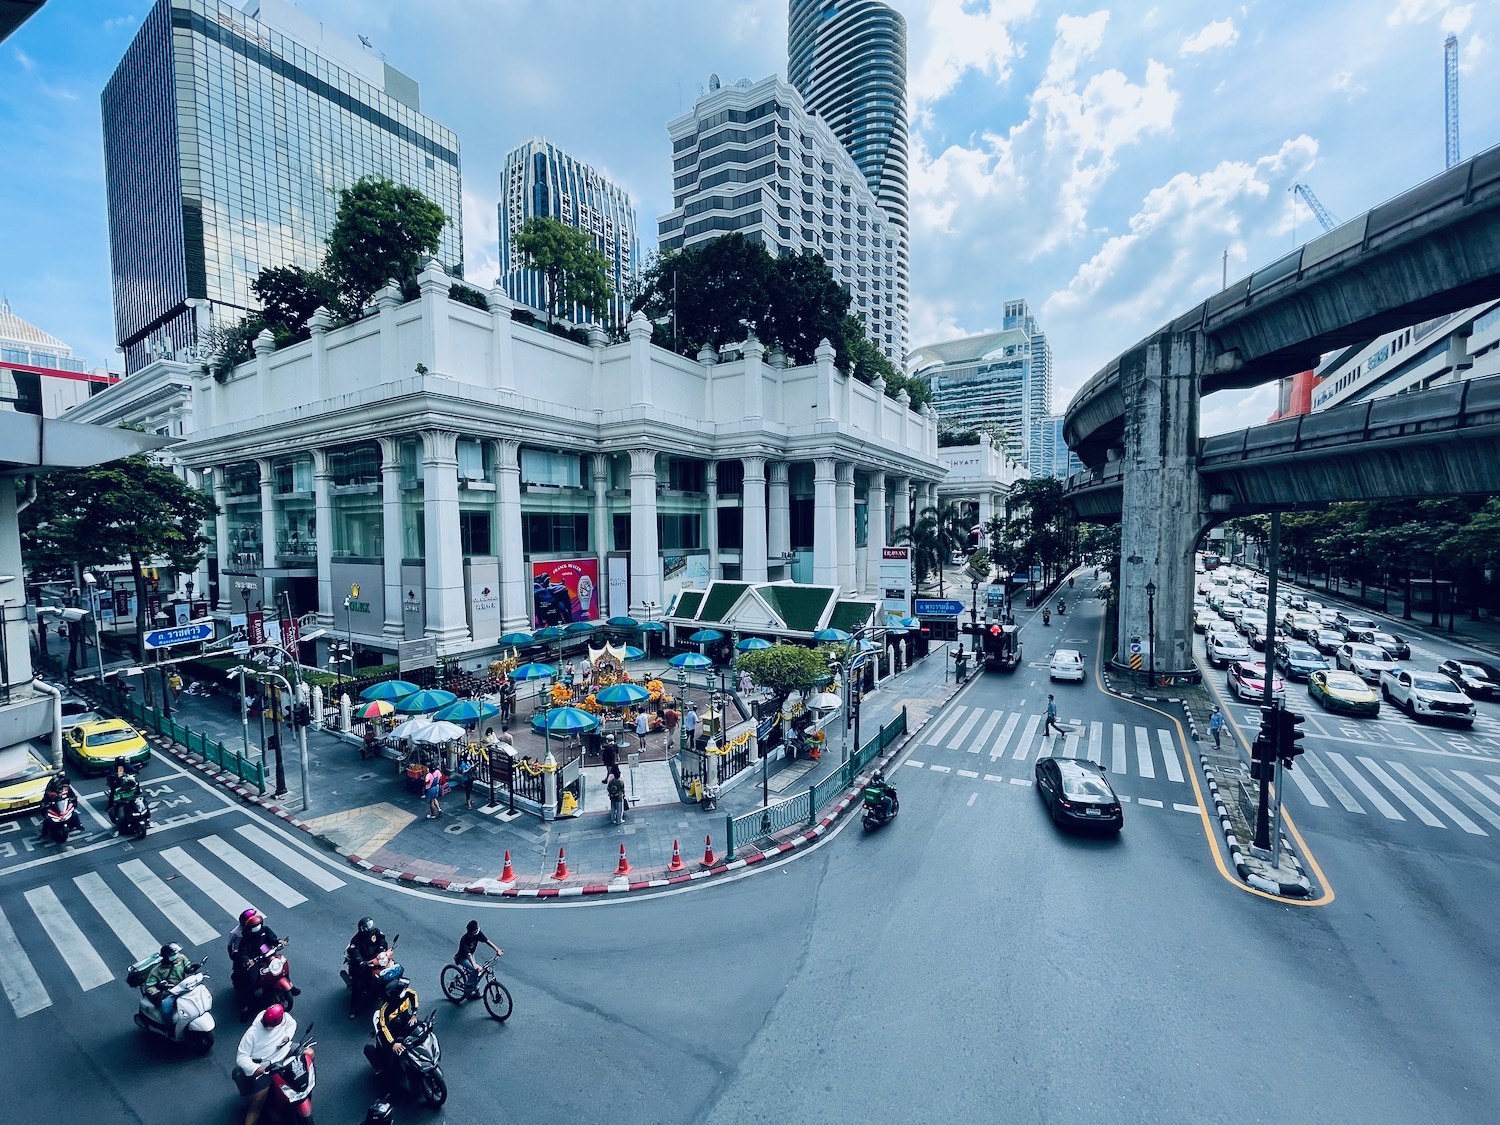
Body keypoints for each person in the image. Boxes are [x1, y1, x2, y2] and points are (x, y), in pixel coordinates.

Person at [235, 1003, 298, 1120]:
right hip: (267, 1068)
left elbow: (292, 1024)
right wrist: (257, 1069)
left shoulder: (285, 1018)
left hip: (285, 1053)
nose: (266, 1026)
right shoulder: (252, 1033)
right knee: (255, 1108)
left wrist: (287, 1038)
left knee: (309, 1053)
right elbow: (241, 1057)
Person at [366, 978, 420, 1075]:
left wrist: (414, 1014)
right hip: (392, 1035)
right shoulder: (385, 1010)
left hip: (405, 1025)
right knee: (390, 1065)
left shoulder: (406, 993)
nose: (405, 990)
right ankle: (388, 1086)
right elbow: (384, 1028)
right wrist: (393, 1043)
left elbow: (414, 994)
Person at [346, 917, 390, 1019]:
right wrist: (362, 962)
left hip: (377, 960)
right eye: (367, 926)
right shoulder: (356, 940)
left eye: (370, 924)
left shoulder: (376, 932)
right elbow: (355, 954)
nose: (370, 927)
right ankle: (353, 1008)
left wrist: (382, 949)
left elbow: (382, 941)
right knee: (358, 985)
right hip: (364, 964)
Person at [454, 920, 502, 999]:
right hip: (463, 958)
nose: (478, 931)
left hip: (471, 955)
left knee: (479, 971)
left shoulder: (477, 934)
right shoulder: (464, 940)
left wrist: (497, 950)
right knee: (475, 970)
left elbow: (487, 941)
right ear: (471, 932)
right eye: (476, 930)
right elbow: (468, 955)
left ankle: (473, 987)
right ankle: (469, 987)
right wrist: (474, 966)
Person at [143, 942, 191, 1021]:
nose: (176, 955)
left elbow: (187, 967)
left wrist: (191, 968)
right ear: (166, 956)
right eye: (172, 954)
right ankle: (168, 1027)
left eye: (176, 953)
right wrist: (159, 993)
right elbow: (149, 986)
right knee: (166, 1009)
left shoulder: (181, 958)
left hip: (184, 986)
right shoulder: (157, 971)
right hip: (169, 992)